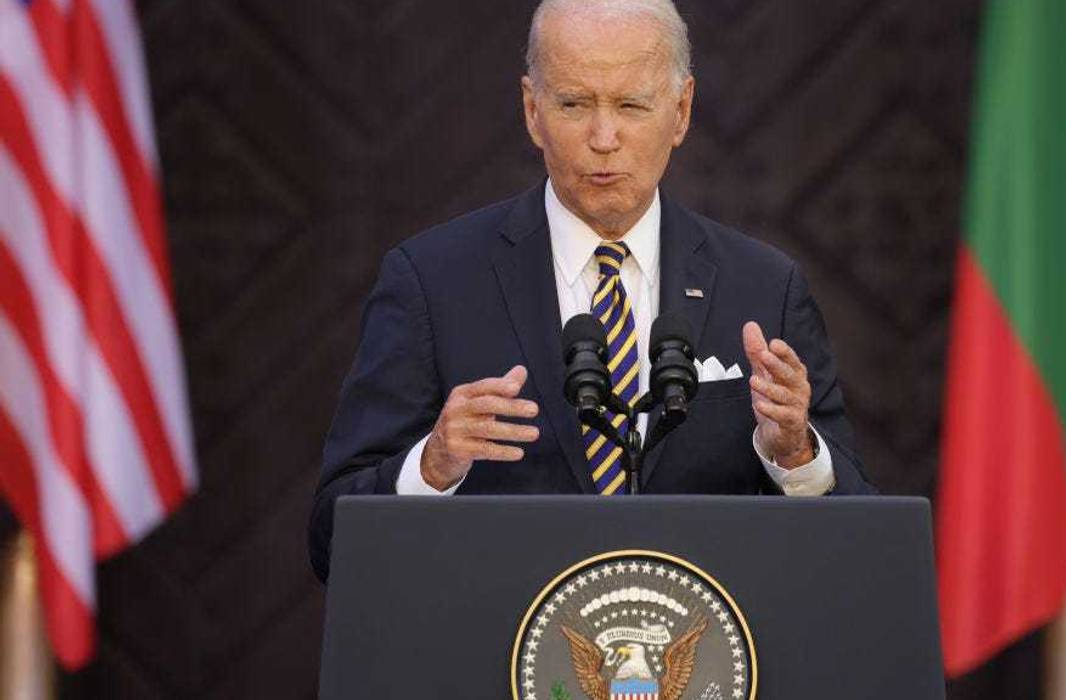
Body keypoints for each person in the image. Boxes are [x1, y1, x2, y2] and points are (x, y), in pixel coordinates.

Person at [309, 0, 874, 582]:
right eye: (574, 104)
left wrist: (797, 456)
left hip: (704, 659)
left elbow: (858, 546)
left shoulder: (765, 287)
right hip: (495, 657)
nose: (604, 139)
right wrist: (431, 466)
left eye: (631, 105)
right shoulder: (431, 282)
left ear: (680, 112)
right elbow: (332, 539)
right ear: (533, 111)